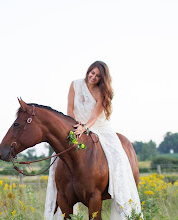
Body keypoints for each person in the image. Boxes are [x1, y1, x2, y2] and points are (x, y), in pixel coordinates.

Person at [44, 61, 142, 220]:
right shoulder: (75, 85)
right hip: (75, 125)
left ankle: (122, 191)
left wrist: (84, 128)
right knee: (58, 157)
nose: (93, 77)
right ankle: (55, 201)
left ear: (102, 78)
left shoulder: (103, 92)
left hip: (98, 127)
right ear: (88, 71)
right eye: (92, 73)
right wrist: (73, 126)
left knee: (118, 156)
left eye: (97, 76)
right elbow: (69, 108)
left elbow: (95, 117)